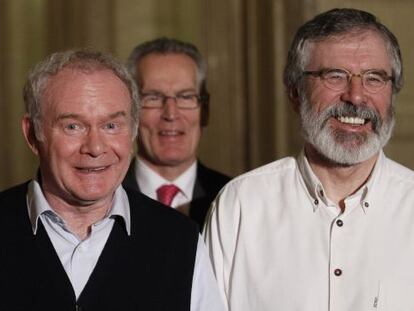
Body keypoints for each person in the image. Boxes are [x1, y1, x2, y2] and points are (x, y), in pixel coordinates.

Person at [204, 8, 414, 310]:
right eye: (335, 76)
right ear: (294, 93)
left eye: (374, 78)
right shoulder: (240, 207)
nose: (355, 96)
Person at [0, 49, 225, 311]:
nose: (95, 147)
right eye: (73, 126)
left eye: (111, 126)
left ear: (133, 131)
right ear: (32, 135)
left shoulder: (182, 242)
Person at [123, 38, 230, 230]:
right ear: (130, 111)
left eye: (186, 97)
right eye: (153, 97)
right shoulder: (102, 198)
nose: (171, 114)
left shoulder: (233, 197)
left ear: (205, 111)